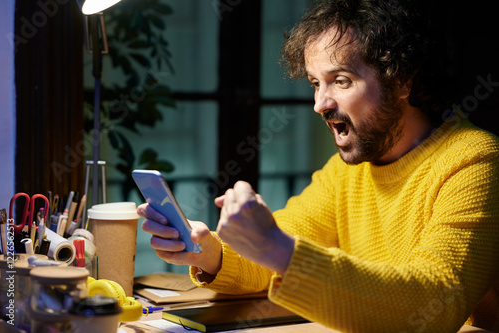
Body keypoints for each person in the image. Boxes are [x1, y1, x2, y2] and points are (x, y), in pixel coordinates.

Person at [137, 0, 499, 331]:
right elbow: (285, 241)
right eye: (315, 83)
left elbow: (435, 302)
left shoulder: (474, 159)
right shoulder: (347, 170)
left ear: (403, 80)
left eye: (341, 81)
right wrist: (212, 253)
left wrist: (279, 250)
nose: (320, 104)